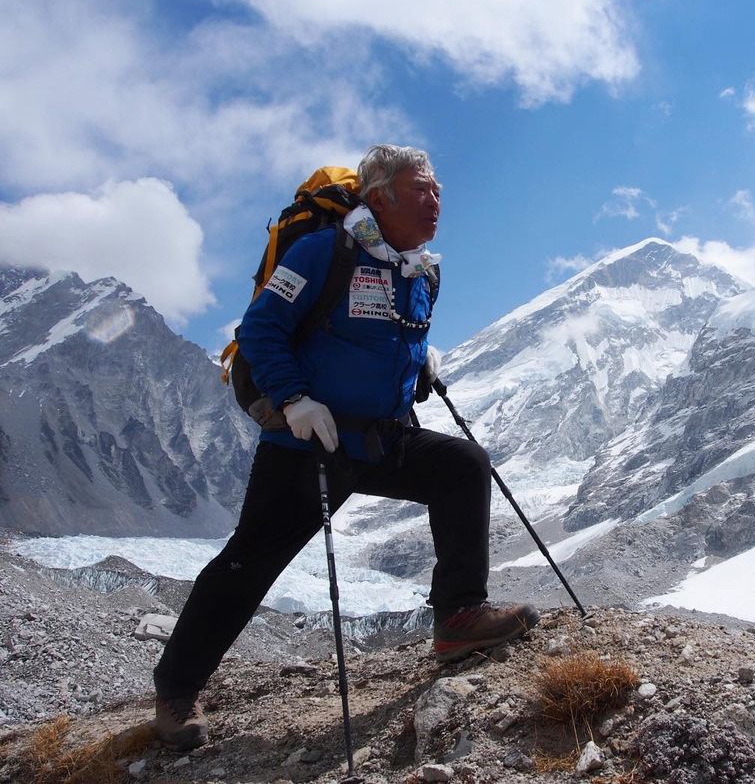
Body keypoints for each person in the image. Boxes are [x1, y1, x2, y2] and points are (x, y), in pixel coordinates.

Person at [152, 144, 539, 751]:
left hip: (382, 438)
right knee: (248, 563)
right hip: (308, 443)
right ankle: (175, 691)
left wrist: (420, 365)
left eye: (438, 189)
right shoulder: (324, 252)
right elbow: (260, 329)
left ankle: (460, 616)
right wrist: (294, 399)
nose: (435, 199)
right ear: (378, 196)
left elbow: (379, 343)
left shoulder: (420, 271)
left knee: (463, 466)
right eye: (421, 188)